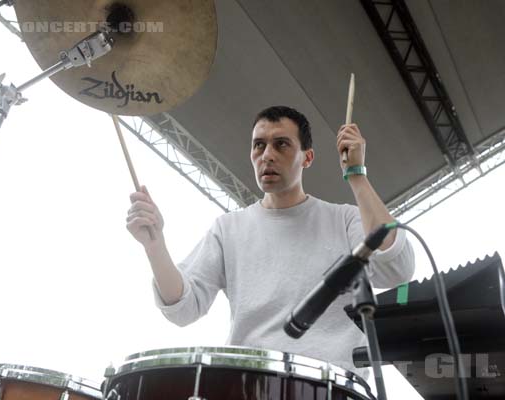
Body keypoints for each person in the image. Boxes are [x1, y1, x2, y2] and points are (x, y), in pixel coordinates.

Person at [126, 105, 415, 373]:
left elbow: (396, 269)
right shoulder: (228, 228)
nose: (267, 155)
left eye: (281, 144)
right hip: (250, 383)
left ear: (308, 157)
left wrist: (357, 175)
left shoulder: (345, 219)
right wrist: (155, 246)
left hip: (335, 384)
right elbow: (183, 309)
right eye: (259, 145)